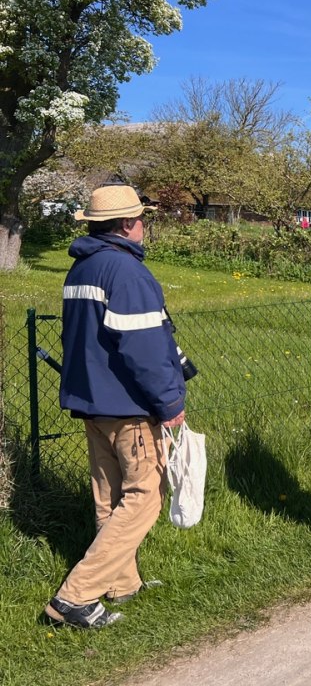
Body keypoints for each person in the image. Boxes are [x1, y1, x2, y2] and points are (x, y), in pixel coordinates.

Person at [45, 185, 186, 629]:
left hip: (92, 400)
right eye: (142, 218)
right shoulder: (127, 273)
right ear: (127, 224)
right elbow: (142, 348)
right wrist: (169, 402)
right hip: (128, 406)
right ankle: (75, 597)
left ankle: (122, 583)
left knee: (109, 497)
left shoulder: (81, 268)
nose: (145, 225)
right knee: (144, 498)